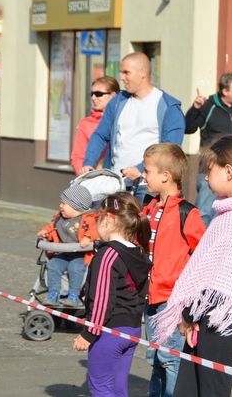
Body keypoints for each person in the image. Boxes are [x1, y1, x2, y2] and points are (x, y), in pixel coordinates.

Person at [153, 135, 232, 397]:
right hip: (207, 319)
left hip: (223, 322)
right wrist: (191, 316)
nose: (206, 178)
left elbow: (223, 283)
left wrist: (189, 314)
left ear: (228, 171)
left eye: (210, 170)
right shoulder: (227, 213)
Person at [141, 143, 206, 397]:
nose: (144, 176)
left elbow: (203, 254)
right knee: (155, 358)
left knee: (170, 358)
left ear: (165, 175)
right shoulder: (149, 208)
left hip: (172, 300)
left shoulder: (187, 213)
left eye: (147, 171)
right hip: (151, 297)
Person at [72, 192, 151, 397]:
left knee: (101, 388)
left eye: (97, 217)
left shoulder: (107, 255)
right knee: (118, 388)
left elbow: (101, 299)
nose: (95, 221)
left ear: (109, 219)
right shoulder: (138, 252)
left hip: (108, 331)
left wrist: (89, 333)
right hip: (132, 329)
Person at [81, 52, 186, 204]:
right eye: (121, 72)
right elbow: (100, 135)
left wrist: (140, 168)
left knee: (141, 228)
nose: (122, 78)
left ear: (142, 73)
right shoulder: (117, 102)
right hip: (116, 183)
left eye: (126, 72)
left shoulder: (168, 106)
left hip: (146, 186)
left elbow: (171, 150)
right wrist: (89, 162)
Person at [185, 73, 232, 225]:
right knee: (205, 212)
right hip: (211, 169)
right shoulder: (207, 106)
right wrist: (195, 109)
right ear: (225, 91)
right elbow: (188, 128)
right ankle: (199, 244)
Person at [37, 184, 98, 307]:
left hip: (80, 254)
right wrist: (44, 232)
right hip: (62, 253)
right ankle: (53, 294)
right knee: (53, 265)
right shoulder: (59, 218)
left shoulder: (88, 219)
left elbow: (95, 230)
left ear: (76, 206)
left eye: (64, 203)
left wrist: (88, 237)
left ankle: (74, 296)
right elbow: (51, 227)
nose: (60, 206)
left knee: (76, 268)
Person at [70, 76, 120, 175]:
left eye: (98, 94)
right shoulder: (85, 123)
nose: (93, 98)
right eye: (92, 94)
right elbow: (78, 156)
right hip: (95, 179)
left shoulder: (122, 119)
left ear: (113, 95)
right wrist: (86, 175)